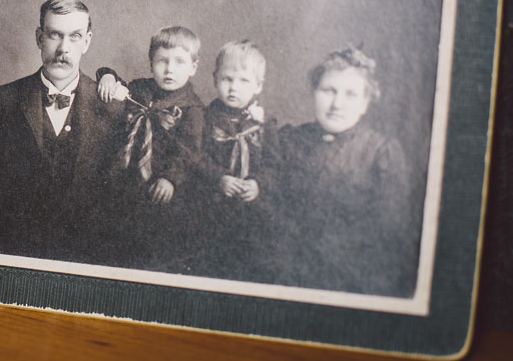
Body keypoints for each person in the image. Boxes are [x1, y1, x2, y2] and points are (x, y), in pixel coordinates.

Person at [0, 0, 121, 263]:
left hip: (85, 258)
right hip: (13, 252)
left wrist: (110, 74)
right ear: (39, 37)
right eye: (55, 35)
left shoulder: (112, 108)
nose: (63, 49)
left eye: (75, 36)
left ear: (87, 42)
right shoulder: (0, 102)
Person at [275, 46, 421, 297]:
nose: (337, 104)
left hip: (349, 283)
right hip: (283, 276)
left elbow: (388, 235)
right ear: (314, 92)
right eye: (328, 91)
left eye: (351, 94)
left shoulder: (381, 153)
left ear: (365, 103)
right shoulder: (288, 140)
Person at [96, 25, 205, 272]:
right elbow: (117, 84)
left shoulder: (191, 108)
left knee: (155, 244)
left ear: (193, 67)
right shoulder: (140, 89)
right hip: (128, 180)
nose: (169, 69)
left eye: (179, 62)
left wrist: (170, 178)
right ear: (151, 63)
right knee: (120, 240)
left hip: (162, 188)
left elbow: (189, 151)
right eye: (162, 61)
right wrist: (108, 76)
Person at [198, 40, 278, 281]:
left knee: (249, 261)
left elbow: (275, 164)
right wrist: (218, 178)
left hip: (251, 209)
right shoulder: (206, 117)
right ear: (215, 79)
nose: (234, 88)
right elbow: (197, 157)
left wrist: (258, 184)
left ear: (258, 85)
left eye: (243, 81)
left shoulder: (265, 124)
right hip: (211, 205)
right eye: (227, 79)